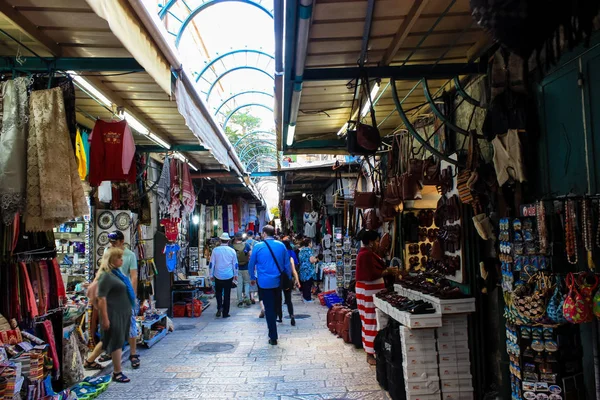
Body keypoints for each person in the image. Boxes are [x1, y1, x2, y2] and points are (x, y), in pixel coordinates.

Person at [95, 247, 136, 382]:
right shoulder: (106, 276)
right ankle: (117, 372)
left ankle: (89, 361)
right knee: (116, 342)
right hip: (113, 314)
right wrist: (105, 318)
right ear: (112, 260)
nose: (122, 260)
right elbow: (101, 298)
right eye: (119, 258)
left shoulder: (117, 274)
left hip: (121, 313)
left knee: (111, 341)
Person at [248, 225, 292, 345]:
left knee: (269, 308)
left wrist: (252, 277)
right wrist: (288, 278)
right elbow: (287, 264)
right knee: (276, 305)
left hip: (264, 283)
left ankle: (273, 336)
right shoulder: (281, 245)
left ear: (264, 234)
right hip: (278, 282)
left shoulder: (258, 247)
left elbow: (251, 264)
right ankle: (276, 323)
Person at [107, 231, 140, 369]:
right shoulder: (107, 253)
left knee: (130, 324)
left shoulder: (130, 255)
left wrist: (131, 295)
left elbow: (133, 276)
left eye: (115, 242)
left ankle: (133, 353)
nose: (112, 245)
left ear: (122, 241)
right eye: (111, 242)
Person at [355, 229, 387, 365]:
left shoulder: (367, 253)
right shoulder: (366, 255)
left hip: (368, 291)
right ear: (371, 242)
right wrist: (387, 271)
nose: (378, 243)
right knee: (370, 320)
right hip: (368, 292)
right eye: (376, 241)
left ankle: (373, 350)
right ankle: (370, 352)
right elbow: (371, 274)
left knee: (370, 320)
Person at [209, 232, 238, 318]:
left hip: (218, 275)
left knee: (218, 293)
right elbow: (235, 264)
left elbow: (211, 264)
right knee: (227, 294)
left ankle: (219, 307)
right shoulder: (232, 251)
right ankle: (225, 313)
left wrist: (211, 274)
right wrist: (235, 274)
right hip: (228, 275)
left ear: (220, 240)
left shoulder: (215, 250)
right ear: (228, 241)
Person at [279, 237, 301, 326]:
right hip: (288, 280)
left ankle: (279, 317)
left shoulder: (278, 257)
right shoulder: (290, 257)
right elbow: (294, 271)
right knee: (288, 300)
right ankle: (292, 316)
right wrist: (297, 281)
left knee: (278, 300)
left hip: (278, 280)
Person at [232, 232, 251, 307]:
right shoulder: (246, 245)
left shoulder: (232, 247)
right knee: (246, 283)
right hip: (246, 267)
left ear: (236, 238)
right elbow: (250, 255)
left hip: (237, 268)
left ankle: (239, 300)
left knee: (239, 284)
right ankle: (246, 297)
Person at [298, 238, 317, 302]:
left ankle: (304, 297)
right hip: (308, 270)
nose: (312, 244)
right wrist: (316, 259)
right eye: (311, 243)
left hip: (302, 269)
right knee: (308, 284)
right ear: (309, 243)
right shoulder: (309, 250)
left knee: (304, 284)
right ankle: (307, 298)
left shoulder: (301, 250)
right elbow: (311, 260)